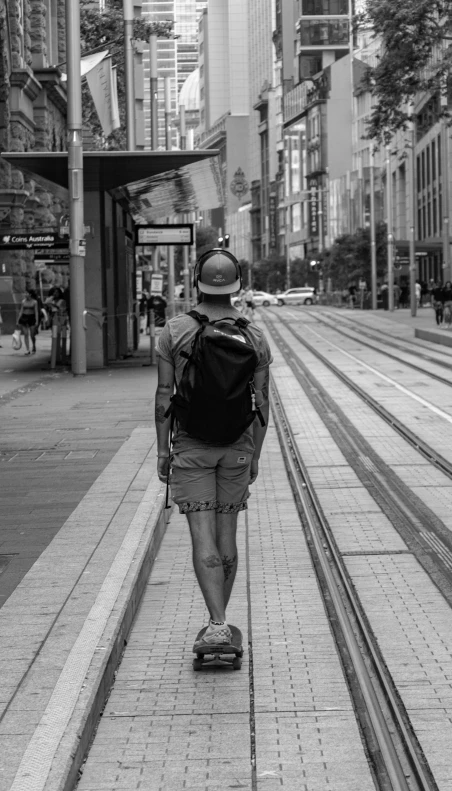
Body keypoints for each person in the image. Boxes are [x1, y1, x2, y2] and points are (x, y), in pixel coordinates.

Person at [155, 249, 272, 649]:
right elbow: (262, 402)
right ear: (237, 283)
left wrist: (162, 451)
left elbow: (163, 396)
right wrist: (254, 454)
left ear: (196, 279)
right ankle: (224, 619)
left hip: (191, 446)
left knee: (200, 537)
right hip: (236, 446)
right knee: (228, 536)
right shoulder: (252, 333)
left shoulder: (174, 330)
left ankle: (217, 623)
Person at [17, 289, 39, 354]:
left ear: (30, 294)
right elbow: (21, 311)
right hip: (24, 318)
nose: (25, 294)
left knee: (32, 335)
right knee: (26, 334)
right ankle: (27, 350)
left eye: (26, 293)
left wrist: (37, 321)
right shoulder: (23, 301)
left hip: (31, 318)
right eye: (25, 293)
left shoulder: (35, 302)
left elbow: (36, 312)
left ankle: (34, 345)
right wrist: (18, 320)